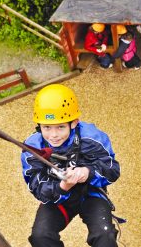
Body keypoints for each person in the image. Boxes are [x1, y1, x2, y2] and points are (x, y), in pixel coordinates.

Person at [20, 84, 120, 247]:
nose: (53, 135)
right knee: (40, 237)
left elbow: (112, 170)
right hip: (59, 198)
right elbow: (38, 189)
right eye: (47, 127)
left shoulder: (92, 137)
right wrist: (62, 186)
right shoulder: (32, 148)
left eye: (60, 127)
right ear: (39, 126)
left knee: (105, 235)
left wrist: (88, 172)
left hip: (90, 193)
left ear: (74, 123)